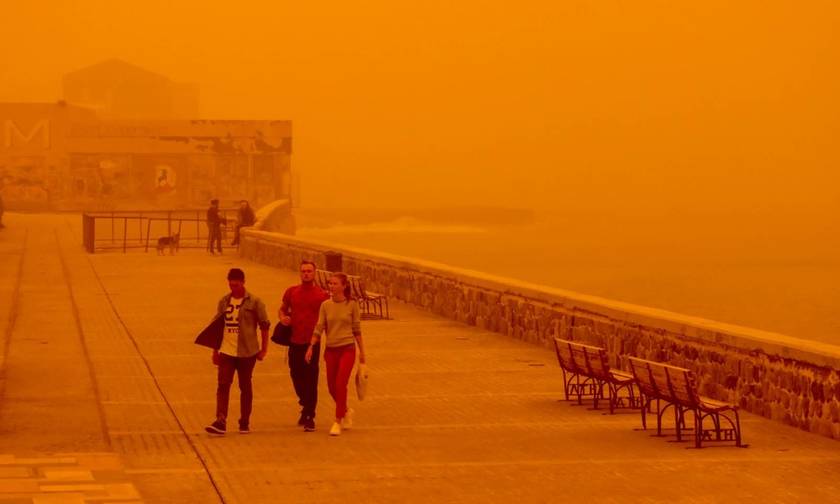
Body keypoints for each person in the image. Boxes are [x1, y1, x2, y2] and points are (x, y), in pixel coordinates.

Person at [206, 268, 270, 435]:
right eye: (230, 285)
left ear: (243, 282)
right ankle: (221, 419)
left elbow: (264, 326)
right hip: (227, 351)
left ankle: (244, 421)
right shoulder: (224, 302)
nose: (233, 288)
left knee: (245, 386)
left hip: (247, 352)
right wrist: (215, 351)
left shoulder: (255, 302)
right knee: (223, 385)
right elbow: (217, 327)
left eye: (236, 285)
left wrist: (264, 349)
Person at [305, 272, 366, 436]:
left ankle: (337, 420)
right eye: (330, 283)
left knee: (341, 384)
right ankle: (346, 410)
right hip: (331, 350)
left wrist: (362, 353)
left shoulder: (352, 305)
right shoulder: (325, 305)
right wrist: (311, 346)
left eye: (335, 284)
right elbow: (319, 327)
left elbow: (357, 329)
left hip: (347, 349)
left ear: (344, 286)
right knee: (332, 387)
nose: (331, 286)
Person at [279, 261, 329, 431]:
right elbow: (282, 309)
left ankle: (309, 415)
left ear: (314, 273)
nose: (306, 274)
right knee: (295, 374)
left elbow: (327, 319)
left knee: (311, 378)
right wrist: (283, 318)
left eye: (309, 271)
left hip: (312, 342)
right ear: (300, 274)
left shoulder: (322, 295)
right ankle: (305, 403)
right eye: (303, 271)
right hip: (294, 341)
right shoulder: (291, 292)